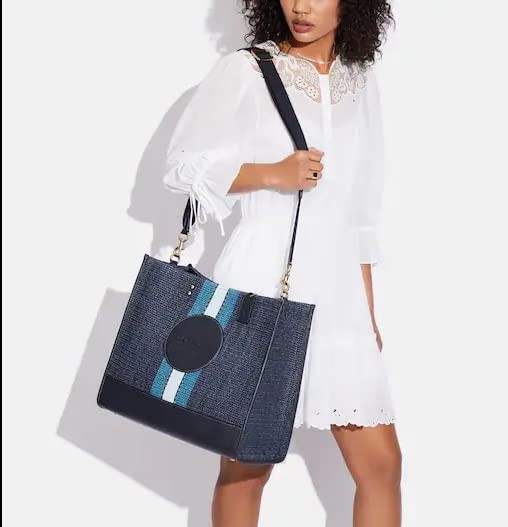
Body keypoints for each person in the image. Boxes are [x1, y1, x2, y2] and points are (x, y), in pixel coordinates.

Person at [163, 1, 401, 525]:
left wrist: (367, 313)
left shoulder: (359, 81)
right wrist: (274, 173)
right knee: (246, 469)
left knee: (381, 466)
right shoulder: (247, 70)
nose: (300, 6)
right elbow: (181, 167)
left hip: (339, 295)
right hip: (261, 282)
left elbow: (361, 214)